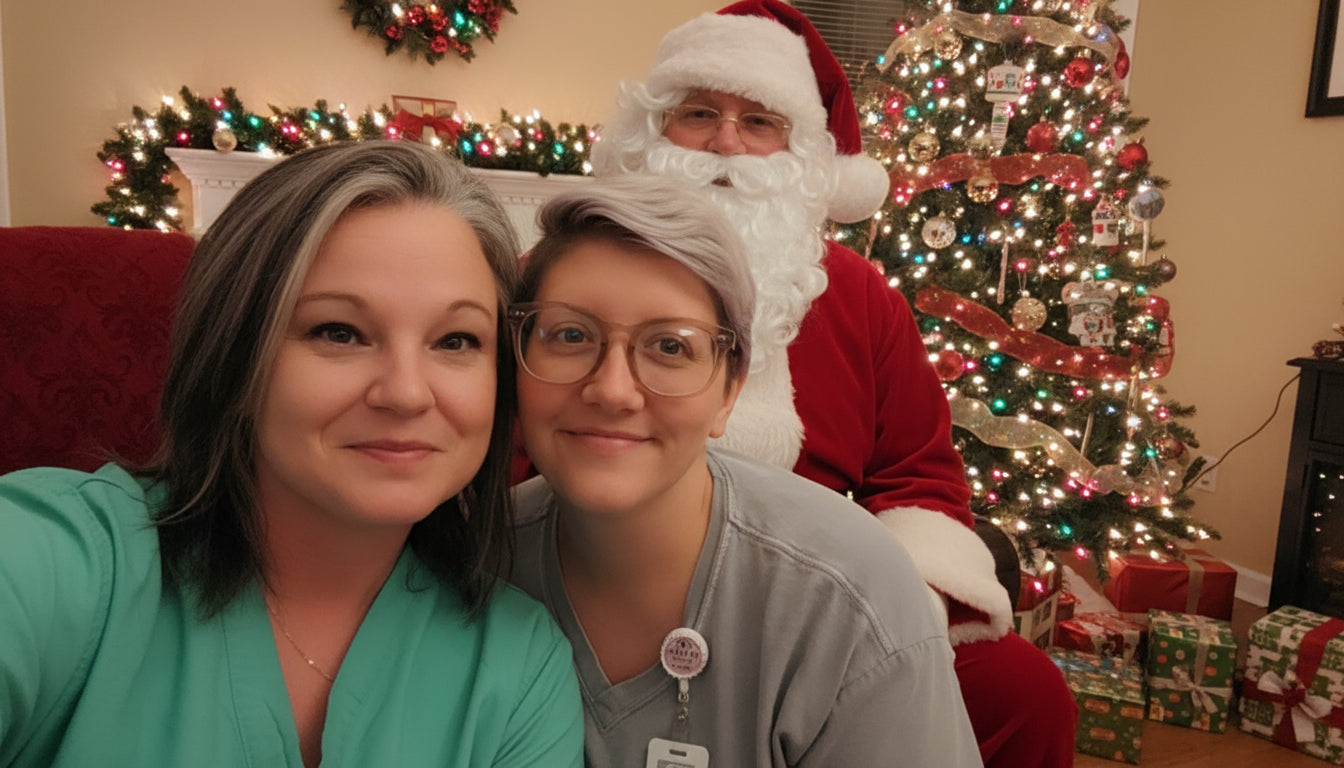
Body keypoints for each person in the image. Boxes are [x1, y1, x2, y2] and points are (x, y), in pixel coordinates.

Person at [589, 2, 1077, 766]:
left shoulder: (856, 295)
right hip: (610, 583)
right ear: (653, 131)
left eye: (760, 123)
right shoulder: (572, 277)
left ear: (799, 152)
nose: (726, 144)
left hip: (818, 590)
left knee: (1019, 690)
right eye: (698, 113)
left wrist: (886, 604)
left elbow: (919, 476)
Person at [0, 141, 582, 768]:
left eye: (456, 340)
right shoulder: (57, 564)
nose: (408, 393)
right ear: (233, 356)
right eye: (338, 332)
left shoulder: (519, 665)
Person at [506, 173, 982, 767]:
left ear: (729, 390)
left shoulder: (849, 599)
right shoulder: (470, 564)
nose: (613, 391)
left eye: (671, 346)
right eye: (571, 334)